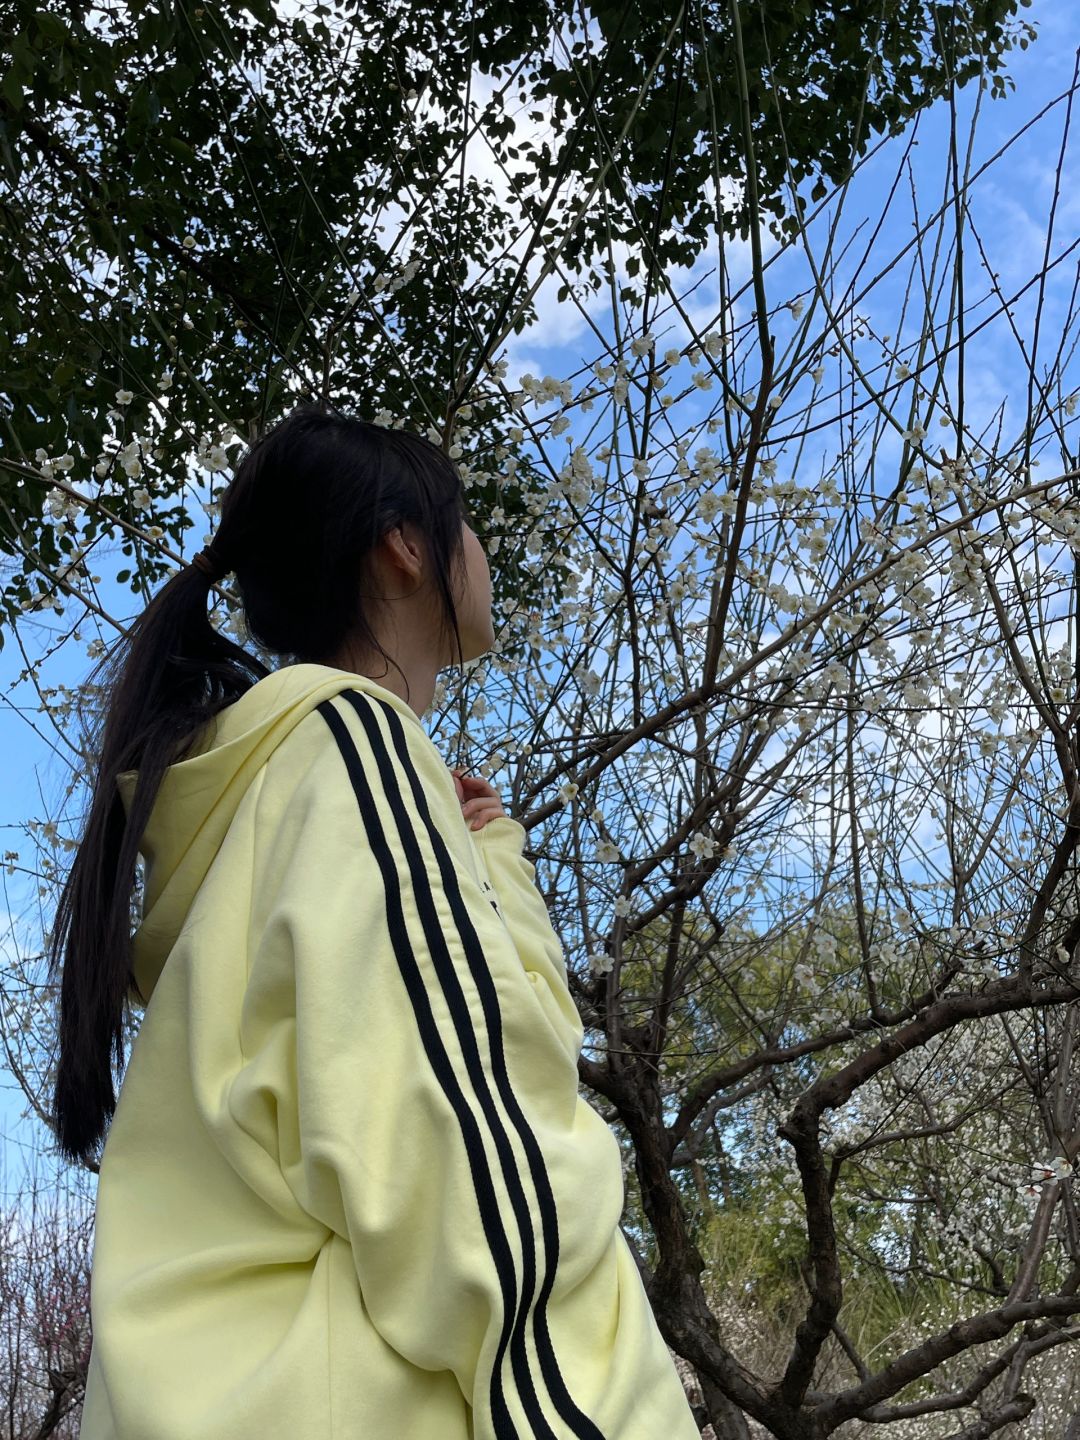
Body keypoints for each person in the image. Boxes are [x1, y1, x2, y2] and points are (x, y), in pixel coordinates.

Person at [49, 401, 701, 1438]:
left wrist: (491, 857)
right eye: (464, 522)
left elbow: (518, 1043)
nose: (481, 548)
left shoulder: (245, 810)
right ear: (404, 548)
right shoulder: (353, 745)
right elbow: (476, 1173)